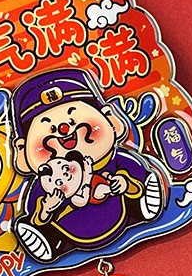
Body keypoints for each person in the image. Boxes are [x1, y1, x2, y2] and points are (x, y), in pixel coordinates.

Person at [10, 68, 164, 263]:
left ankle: (143, 206)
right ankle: (47, 242)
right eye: (47, 125)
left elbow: (135, 175)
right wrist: (46, 209)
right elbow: (37, 213)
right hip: (68, 230)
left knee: (139, 189)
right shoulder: (46, 184)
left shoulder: (115, 160)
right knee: (49, 230)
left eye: (73, 116)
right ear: (22, 151)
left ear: (111, 121)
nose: (64, 130)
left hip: (120, 212)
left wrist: (126, 184)